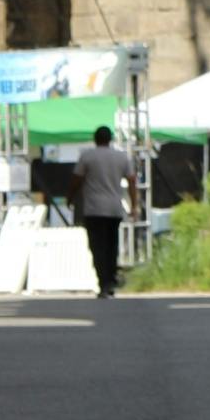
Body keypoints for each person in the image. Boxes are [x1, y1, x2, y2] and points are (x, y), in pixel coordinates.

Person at [70, 124, 136, 298]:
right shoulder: (121, 157)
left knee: (97, 247)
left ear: (95, 139)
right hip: (114, 209)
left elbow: (76, 179)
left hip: (93, 209)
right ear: (110, 139)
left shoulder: (87, 156)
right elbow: (132, 181)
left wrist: (70, 197)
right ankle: (110, 279)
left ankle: (103, 282)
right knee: (111, 246)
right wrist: (134, 205)